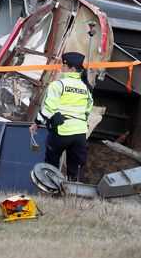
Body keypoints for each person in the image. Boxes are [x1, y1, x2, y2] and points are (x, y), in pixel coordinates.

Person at [29, 52, 93, 181]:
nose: (61, 68)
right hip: (80, 133)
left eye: (64, 65)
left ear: (72, 68)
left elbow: (49, 108)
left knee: (51, 165)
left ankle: (51, 191)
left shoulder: (58, 85)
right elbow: (88, 109)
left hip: (62, 131)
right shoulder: (85, 87)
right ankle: (73, 196)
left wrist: (36, 123)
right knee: (76, 168)